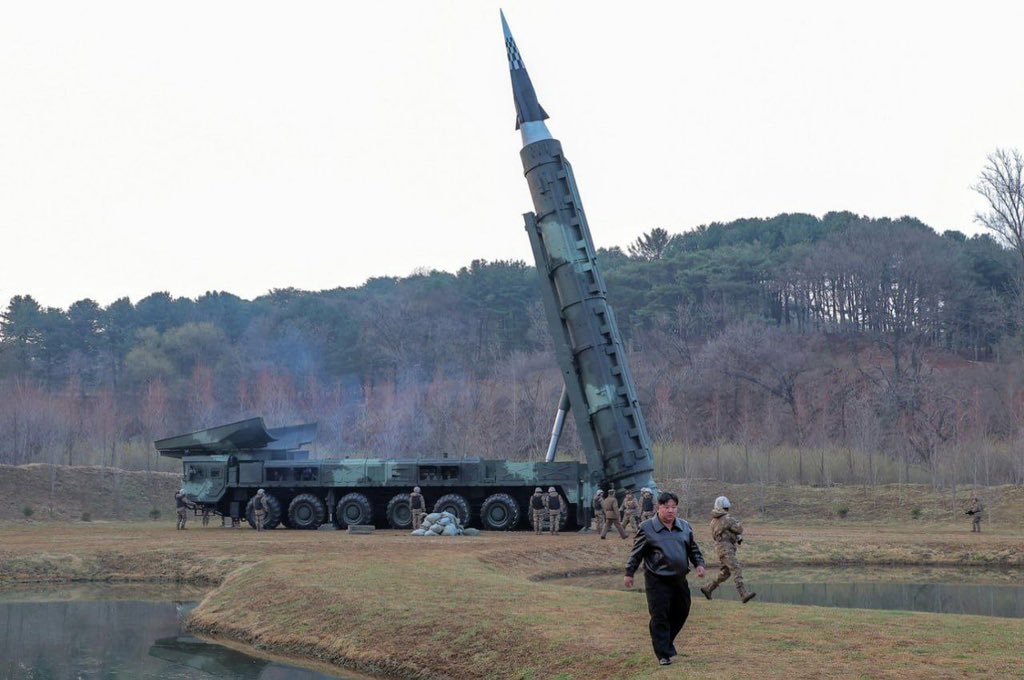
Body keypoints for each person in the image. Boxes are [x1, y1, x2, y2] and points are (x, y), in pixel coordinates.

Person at [625, 491, 706, 666]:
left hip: (679, 579)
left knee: (682, 611)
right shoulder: (647, 528)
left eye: (673, 507)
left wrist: (699, 563)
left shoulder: (684, 526)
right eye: (666, 507)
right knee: (660, 616)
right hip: (657, 580)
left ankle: (666, 642)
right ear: (658, 507)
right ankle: (663, 654)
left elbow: (693, 549)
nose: (670, 510)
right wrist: (629, 572)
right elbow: (636, 553)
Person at [700, 496, 756, 603]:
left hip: (720, 548)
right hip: (726, 548)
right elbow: (739, 529)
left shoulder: (713, 521)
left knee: (725, 573)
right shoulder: (727, 519)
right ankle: (743, 594)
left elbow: (719, 534)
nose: (727, 510)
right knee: (736, 568)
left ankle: (708, 588)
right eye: (726, 508)